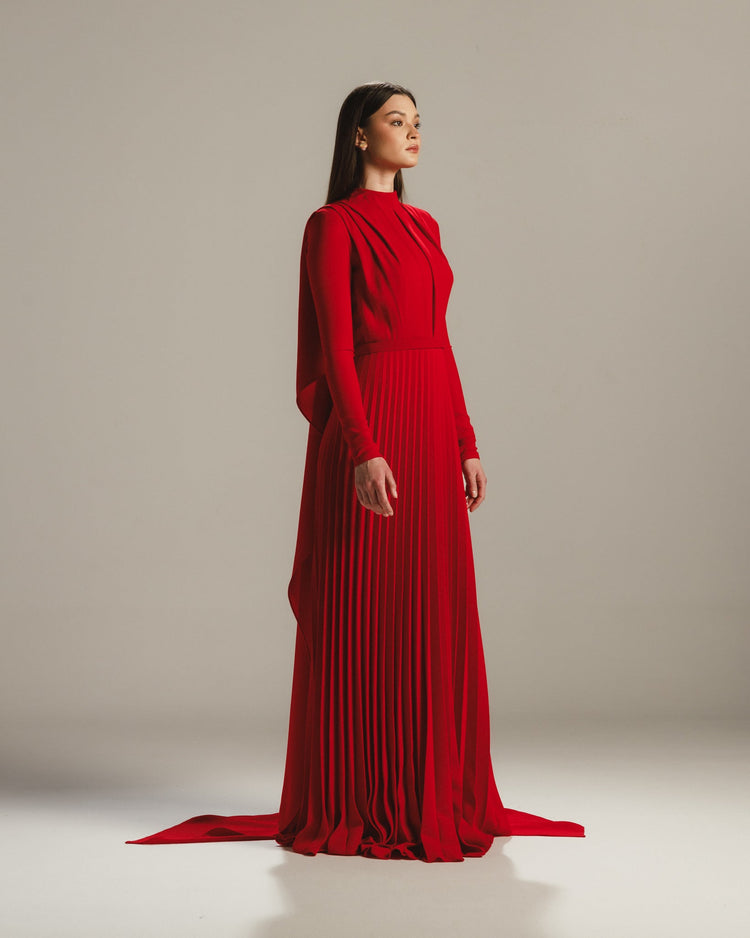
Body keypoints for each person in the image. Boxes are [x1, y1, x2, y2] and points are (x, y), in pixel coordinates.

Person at [125, 81, 585, 861]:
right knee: (362, 603)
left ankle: (431, 786)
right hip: (374, 421)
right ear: (359, 136)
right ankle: (356, 794)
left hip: (430, 419)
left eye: (418, 122)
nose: (413, 133)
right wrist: (363, 447)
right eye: (396, 121)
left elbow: (439, 340)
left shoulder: (425, 226)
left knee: (429, 603)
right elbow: (336, 348)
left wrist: (466, 440)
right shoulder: (331, 226)